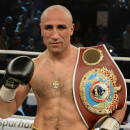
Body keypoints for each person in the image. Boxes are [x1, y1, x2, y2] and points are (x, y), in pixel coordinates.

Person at [0, 5, 127, 130]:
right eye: (49, 27)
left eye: (61, 27)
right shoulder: (32, 66)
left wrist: (109, 127)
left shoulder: (89, 62)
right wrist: (8, 87)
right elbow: (5, 113)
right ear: (41, 29)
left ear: (72, 29)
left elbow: (120, 103)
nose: (55, 35)